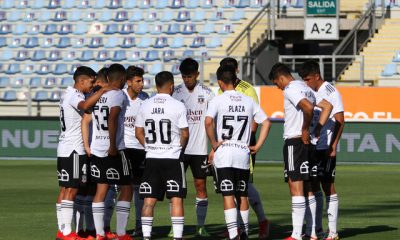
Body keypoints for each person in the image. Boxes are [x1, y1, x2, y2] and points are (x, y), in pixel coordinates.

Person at [205, 65, 272, 240]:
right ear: (235, 80)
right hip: (243, 153)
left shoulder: (218, 100)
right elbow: (266, 122)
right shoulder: (248, 100)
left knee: (228, 195)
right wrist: (257, 146)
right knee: (242, 194)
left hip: (225, 153)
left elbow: (208, 122)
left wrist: (214, 144)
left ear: (220, 82)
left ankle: (234, 234)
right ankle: (245, 233)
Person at [268, 63, 332, 240]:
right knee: (309, 188)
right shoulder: (307, 88)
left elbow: (308, 108)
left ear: (281, 77)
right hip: (310, 144)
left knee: (295, 186)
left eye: (276, 83)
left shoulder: (290, 89)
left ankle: (296, 235)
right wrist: (317, 129)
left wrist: (305, 129)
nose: (277, 87)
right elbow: (327, 107)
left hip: (296, 142)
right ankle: (312, 232)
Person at [56, 66, 114, 240]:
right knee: (72, 189)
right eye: (91, 81)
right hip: (74, 147)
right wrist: (103, 89)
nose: (92, 84)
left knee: (67, 189)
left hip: (66, 147)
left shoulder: (69, 94)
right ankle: (66, 232)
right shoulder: (74, 95)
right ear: (81, 80)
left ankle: (63, 231)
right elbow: (86, 105)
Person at [135, 71, 189, 240]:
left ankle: (146, 236)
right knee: (176, 199)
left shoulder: (145, 104)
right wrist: (179, 148)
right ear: (171, 86)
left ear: (156, 86)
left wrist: (149, 147)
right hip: (172, 158)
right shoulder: (178, 105)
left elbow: (138, 132)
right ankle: (178, 237)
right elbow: (185, 134)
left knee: (148, 201)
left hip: (152, 158)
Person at [299, 60, 344, 240]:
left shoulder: (331, 91)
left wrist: (333, 145)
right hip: (312, 146)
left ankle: (332, 232)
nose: (306, 82)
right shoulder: (309, 91)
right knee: (311, 185)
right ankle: (316, 229)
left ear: (317, 76)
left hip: (325, 147)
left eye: (308, 79)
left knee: (328, 186)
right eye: (303, 79)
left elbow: (340, 119)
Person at [171, 58, 215, 237]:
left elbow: (212, 122)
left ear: (197, 74)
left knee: (201, 186)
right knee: (175, 189)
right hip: (179, 150)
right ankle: (175, 228)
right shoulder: (176, 93)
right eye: (183, 76)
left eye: (189, 76)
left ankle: (200, 226)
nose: (186, 79)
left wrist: (213, 147)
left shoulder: (208, 93)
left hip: (199, 150)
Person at [89, 64, 133, 240]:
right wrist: (113, 145)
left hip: (97, 147)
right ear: (122, 79)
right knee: (127, 188)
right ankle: (121, 233)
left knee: (101, 190)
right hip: (113, 148)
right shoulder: (118, 94)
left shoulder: (99, 95)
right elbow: (113, 118)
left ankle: (100, 234)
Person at [123, 66, 148, 237]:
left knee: (140, 188)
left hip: (140, 148)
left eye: (142, 80)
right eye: (138, 81)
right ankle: (117, 227)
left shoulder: (146, 99)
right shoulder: (120, 98)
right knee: (122, 188)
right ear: (129, 82)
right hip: (124, 148)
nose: (142, 84)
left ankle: (139, 224)